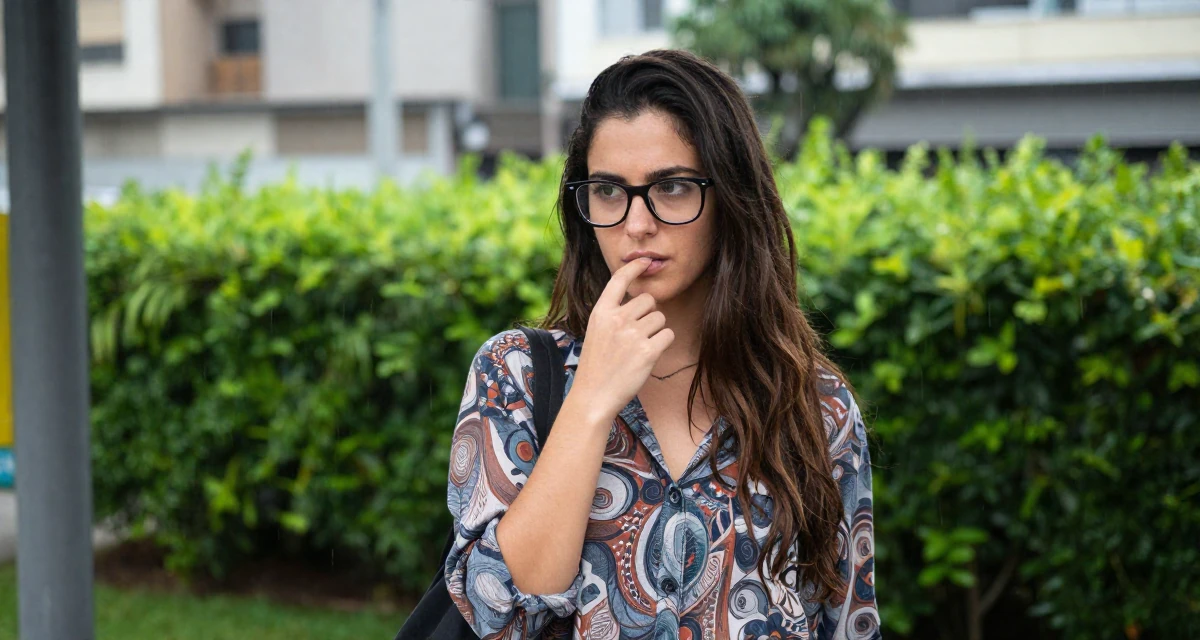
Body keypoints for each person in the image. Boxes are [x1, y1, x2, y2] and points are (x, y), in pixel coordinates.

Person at [443, 49, 879, 640]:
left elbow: (848, 622)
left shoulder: (817, 408)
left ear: (731, 197)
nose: (636, 224)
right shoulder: (515, 372)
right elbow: (495, 610)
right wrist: (590, 401)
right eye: (608, 190)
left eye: (671, 187)